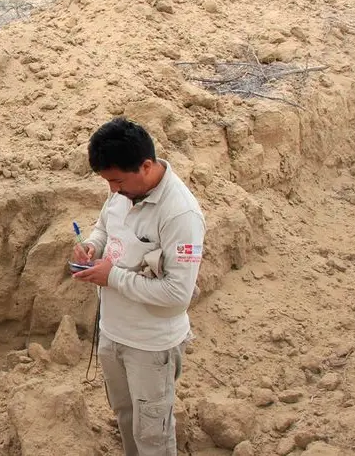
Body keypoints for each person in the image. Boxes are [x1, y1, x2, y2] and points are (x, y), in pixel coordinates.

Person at [71, 117, 205, 456]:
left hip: (150, 346)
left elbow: (177, 295)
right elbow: (105, 227)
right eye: (107, 181)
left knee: (152, 435)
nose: (112, 190)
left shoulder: (181, 215)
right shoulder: (122, 192)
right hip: (113, 334)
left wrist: (112, 277)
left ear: (145, 166)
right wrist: (92, 246)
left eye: (116, 181)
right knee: (126, 416)